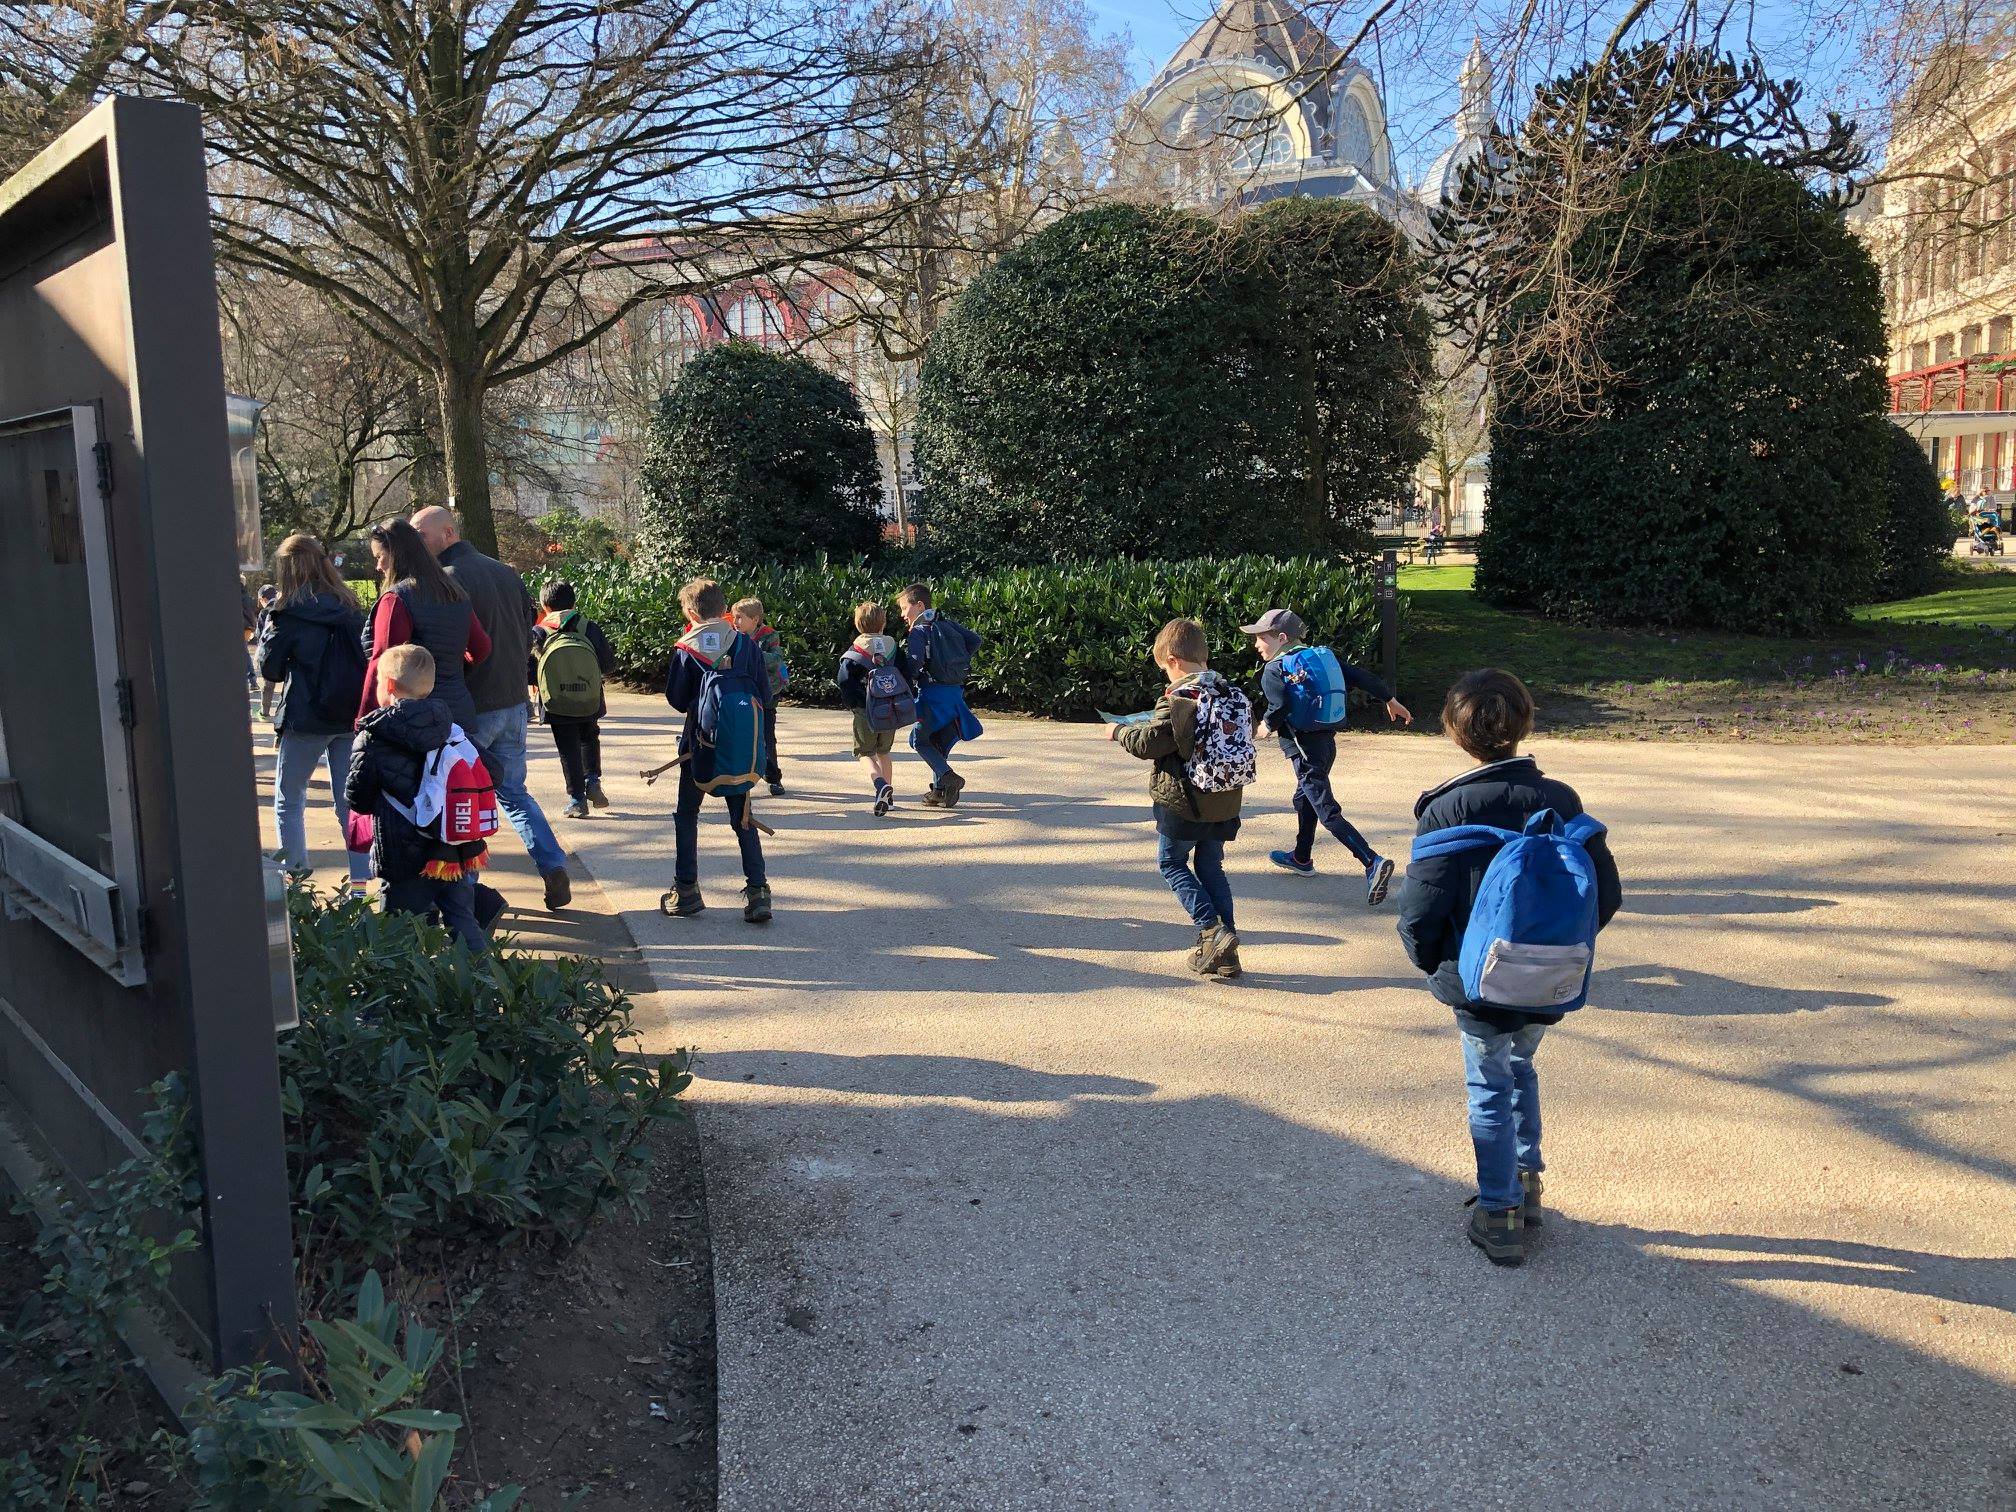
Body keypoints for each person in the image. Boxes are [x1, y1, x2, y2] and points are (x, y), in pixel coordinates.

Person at [1395, 669, 1622, 1267]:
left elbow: (1419, 914)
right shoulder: (1561, 800)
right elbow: (1608, 893)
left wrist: (1437, 968)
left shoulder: (1446, 809)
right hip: (1545, 977)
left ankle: (1498, 1214)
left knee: (1487, 1082)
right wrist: (1553, 949)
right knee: (1521, 1065)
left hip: (1476, 983)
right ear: (1526, 724)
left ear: (1452, 730)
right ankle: (1527, 1185)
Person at [411, 506, 573, 911]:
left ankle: (464, 890)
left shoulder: (445, 580)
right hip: (512, 699)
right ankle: (552, 864)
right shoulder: (504, 572)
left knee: (460, 796)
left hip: (472, 705)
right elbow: (527, 625)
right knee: (513, 792)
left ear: (447, 532)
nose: (416, 542)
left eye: (421, 534)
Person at [1107, 618, 1250, 978]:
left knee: (1171, 864)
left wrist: (1119, 731)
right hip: (1225, 798)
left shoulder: (1179, 698)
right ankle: (1227, 955)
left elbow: (1150, 744)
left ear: (1173, 660)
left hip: (1185, 800)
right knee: (1210, 867)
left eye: (1164, 670)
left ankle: (1211, 931)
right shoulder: (1230, 692)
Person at [1241, 606, 1411, 905]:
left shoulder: (1274, 669)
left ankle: (1371, 860)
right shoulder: (1322, 656)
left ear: (1281, 638)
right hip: (1325, 744)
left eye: (1261, 637)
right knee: (1303, 798)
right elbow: (1359, 676)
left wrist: (1264, 727)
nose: (1257, 644)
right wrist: (1390, 699)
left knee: (1326, 810)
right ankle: (1302, 858)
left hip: (1304, 749)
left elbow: (1278, 708)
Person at [344, 644, 497, 953]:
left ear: (386, 685)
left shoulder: (373, 735)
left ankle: (406, 995)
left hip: (403, 855)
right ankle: (483, 983)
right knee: (462, 920)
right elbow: (495, 771)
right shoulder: (449, 728)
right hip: (451, 850)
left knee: (398, 933)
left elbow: (358, 797)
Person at [257, 534, 373, 892]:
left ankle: (297, 882)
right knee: (351, 803)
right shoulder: (350, 606)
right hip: (349, 714)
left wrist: (269, 635)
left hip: (306, 716)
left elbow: (270, 669)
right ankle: (360, 882)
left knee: (289, 800)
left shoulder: (286, 613)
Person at [662, 577, 772, 923]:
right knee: (742, 818)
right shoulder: (745, 644)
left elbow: (678, 700)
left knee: (686, 815)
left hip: (698, 746)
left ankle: (687, 890)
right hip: (739, 746)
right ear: (725, 610)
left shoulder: (686, 647)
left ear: (690, 611)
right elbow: (765, 696)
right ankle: (758, 892)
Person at [358, 519, 492, 732]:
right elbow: (481, 648)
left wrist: (364, 719)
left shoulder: (396, 599)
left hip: (415, 720)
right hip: (458, 713)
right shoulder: (455, 592)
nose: (378, 566)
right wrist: (451, 668)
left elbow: (382, 662)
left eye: (379, 557)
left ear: (395, 554)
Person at [530, 579, 617, 819]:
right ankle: (593, 780)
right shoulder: (588, 626)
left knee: (567, 748)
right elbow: (608, 664)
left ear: (544, 605)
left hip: (556, 701)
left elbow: (529, 671)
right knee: (589, 736)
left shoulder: (539, 631)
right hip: (589, 696)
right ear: (574, 602)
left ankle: (577, 800)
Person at [897, 583, 983, 807]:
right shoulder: (946, 623)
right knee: (937, 741)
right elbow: (975, 641)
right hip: (954, 693)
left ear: (919, 605)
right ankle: (939, 790)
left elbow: (914, 666)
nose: (902, 614)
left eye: (904, 608)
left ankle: (948, 777)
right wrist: (954, 662)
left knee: (919, 739)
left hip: (932, 696)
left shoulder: (919, 630)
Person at [836, 600, 905, 816]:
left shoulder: (854, 652)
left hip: (866, 710)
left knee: (865, 753)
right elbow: (906, 673)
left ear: (858, 626)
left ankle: (880, 785)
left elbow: (845, 682)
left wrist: (854, 704)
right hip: (890, 709)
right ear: (883, 624)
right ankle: (890, 798)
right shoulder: (893, 648)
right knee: (884, 751)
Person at [732, 596, 788, 795]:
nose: (735, 622)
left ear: (755, 619)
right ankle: (739, 775)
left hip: (766, 696)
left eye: (740, 618)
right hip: (742, 694)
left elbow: (777, 659)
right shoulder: (734, 637)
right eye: (734, 617)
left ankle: (773, 778)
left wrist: (754, 653)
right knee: (741, 736)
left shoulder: (769, 636)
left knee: (766, 739)